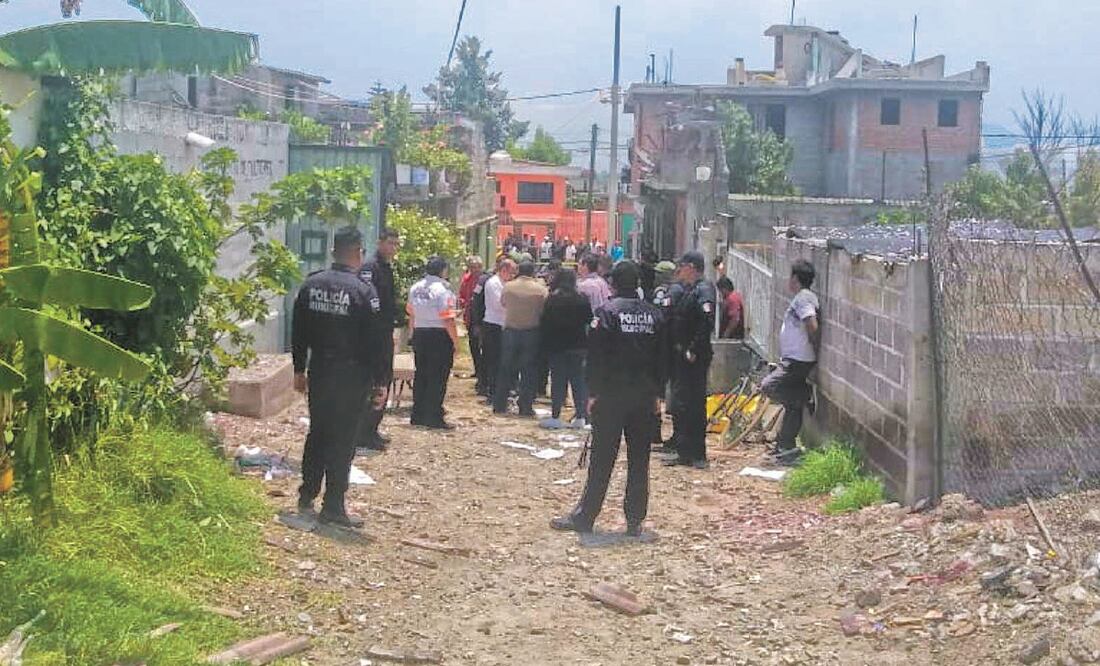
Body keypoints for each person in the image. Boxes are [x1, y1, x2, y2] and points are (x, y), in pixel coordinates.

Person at [550, 261, 667, 536]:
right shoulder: (655, 315)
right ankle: (635, 520)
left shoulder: (607, 313)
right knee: (640, 460)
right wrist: (658, 394)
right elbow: (663, 357)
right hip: (643, 398)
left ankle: (585, 517)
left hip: (611, 397)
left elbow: (596, 355)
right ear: (637, 284)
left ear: (613, 284)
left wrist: (592, 392)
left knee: (602, 458)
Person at [292, 226, 387, 528]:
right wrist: (380, 381)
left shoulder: (311, 285)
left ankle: (307, 494)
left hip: (320, 370)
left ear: (333, 251)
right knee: (343, 439)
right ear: (358, 252)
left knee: (318, 432)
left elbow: (298, 331)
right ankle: (333, 505)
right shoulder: (363, 291)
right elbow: (376, 340)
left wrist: (298, 369)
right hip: (352, 375)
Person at [761, 260, 820, 465]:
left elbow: (811, 324)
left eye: (790, 277)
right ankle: (785, 445)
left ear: (795, 278)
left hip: (798, 360)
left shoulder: (804, 298)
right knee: (791, 406)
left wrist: (814, 348)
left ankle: (804, 396)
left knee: (769, 386)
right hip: (794, 359)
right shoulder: (801, 298)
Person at [664, 251, 716, 470]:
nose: (679, 270)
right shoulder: (690, 290)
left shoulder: (703, 290)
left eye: (683, 266)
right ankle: (684, 451)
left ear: (692, 267)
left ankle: (697, 454)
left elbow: (706, 321)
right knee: (682, 404)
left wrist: (693, 348)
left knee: (694, 405)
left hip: (694, 357)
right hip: (683, 355)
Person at [355, 227, 400, 453]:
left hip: (384, 333)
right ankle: (363, 431)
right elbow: (368, 300)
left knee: (384, 379)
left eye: (395, 244)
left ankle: (372, 429)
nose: (393, 248)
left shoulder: (386, 268)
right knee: (375, 381)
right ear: (380, 242)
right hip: (373, 335)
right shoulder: (370, 268)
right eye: (389, 243)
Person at [407, 257, 459, 430]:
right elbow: (448, 318)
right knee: (438, 377)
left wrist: (411, 334)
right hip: (439, 335)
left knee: (421, 375)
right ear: (443, 270)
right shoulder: (443, 290)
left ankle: (418, 414)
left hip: (420, 333)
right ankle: (434, 416)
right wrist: (455, 341)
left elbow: (411, 313)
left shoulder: (415, 288)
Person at [493, 261, 548, 417]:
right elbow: (544, 310)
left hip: (510, 331)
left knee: (505, 369)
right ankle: (525, 406)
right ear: (533, 272)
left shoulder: (508, 286)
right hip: (531, 331)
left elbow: (503, 303)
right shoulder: (540, 289)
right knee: (528, 370)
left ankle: (499, 404)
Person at [538, 269, 591, 430]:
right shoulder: (582, 298)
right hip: (578, 345)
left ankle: (555, 415)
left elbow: (544, 323)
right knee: (578, 382)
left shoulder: (552, 299)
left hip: (557, 346)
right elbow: (588, 319)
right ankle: (581, 416)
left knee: (558, 381)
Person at [482, 259, 516, 402]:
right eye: (512, 272)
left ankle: (502, 389)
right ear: (504, 270)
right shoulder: (493, 283)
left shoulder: (505, 283)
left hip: (503, 324)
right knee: (494, 359)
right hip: (493, 324)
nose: (513, 275)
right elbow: (499, 304)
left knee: (504, 359)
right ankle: (492, 390)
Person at [459, 256, 485, 387]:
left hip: (481, 317)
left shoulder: (484, 280)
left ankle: (483, 372)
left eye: (477, 267)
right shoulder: (467, 279)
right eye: (472, 267)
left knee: (483, 345)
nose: (474, 270)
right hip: (469, 316)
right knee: (473, 345)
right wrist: (464, 303)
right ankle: (477, 369)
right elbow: (462, 295)